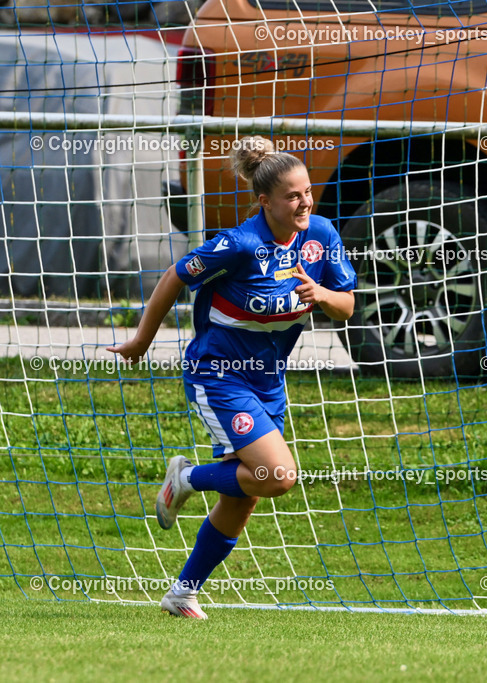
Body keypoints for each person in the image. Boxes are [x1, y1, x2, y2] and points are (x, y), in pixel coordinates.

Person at [108, 136, 356, 619]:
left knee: (243, 498)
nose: (304, 202)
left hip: (268, 383)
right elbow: (175, 276)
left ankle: (181, 593)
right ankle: (187, 478)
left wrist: (321, 294)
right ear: (265, 202)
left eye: (307, 191)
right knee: (277, 476)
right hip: (218, 376)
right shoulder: (239, 244)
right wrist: (141, 339)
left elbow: (347, 306)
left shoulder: (321, 235)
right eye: (292, 195)